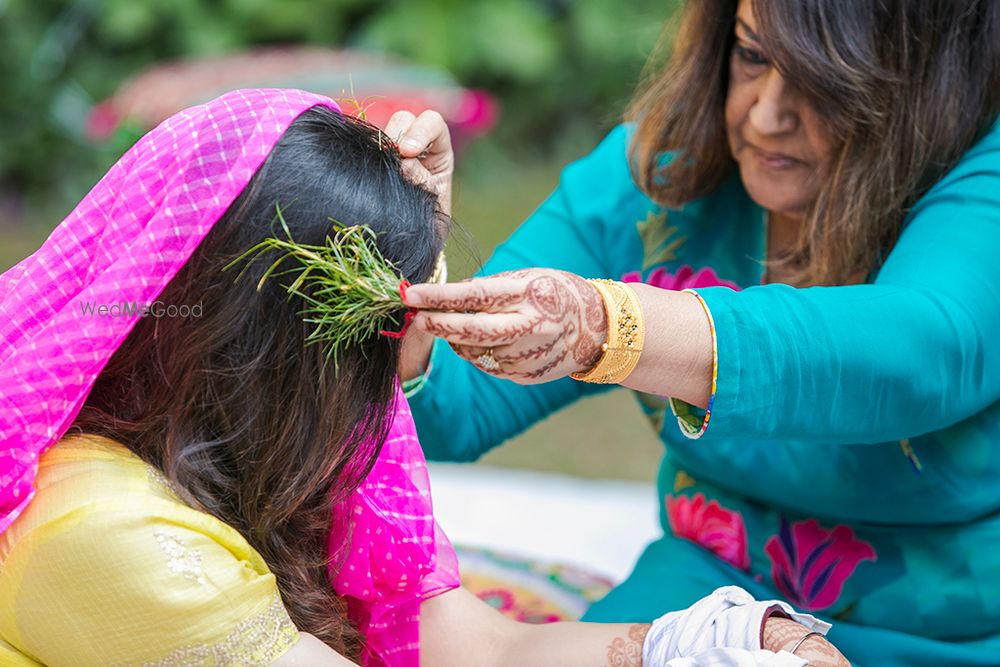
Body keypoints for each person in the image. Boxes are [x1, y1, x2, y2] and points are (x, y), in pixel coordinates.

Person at [0, 89, 846, 666]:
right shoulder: (109, 533)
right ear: (279, 360)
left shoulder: (249, 450)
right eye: (389, 331)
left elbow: (482, 649)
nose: (401, 381)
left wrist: (708, 641)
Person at [392, 0, 1000, 665]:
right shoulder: (661, 170)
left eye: (823, 80)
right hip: (707, 595)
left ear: (924, 83)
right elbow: (452, 408)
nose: (766, 115)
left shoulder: (980, 176)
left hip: (950, 632)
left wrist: (612, 327)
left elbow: (921, 353)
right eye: (752, 56)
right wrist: (414, 278)